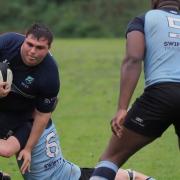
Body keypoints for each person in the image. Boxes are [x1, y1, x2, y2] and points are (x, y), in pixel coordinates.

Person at [90, 0, 180, 179]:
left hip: (160, 95)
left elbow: (133, 58)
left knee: (111, 157)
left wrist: (122, 108)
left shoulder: (143, 19)